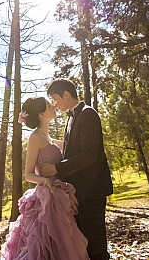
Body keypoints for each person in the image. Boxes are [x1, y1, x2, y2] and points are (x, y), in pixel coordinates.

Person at [0, 96, 90, 260]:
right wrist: (45, 181)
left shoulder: (48, 137)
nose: (53, 106)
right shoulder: (36, 137)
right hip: (47, 198)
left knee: (62, 243)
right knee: (45, 244)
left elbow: (73, 148)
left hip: (59, 195)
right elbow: (28, 174)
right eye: (49, 105)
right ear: (41, 114)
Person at [40, 78, 113, 260]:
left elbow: (89, 154)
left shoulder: (88, 114)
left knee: (96, 247)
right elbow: (70, 150)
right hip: (78, 193)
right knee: (85, 248)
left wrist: (57, 168)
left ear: (66, 94)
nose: (55, 104)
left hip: (92, 191)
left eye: (55, 99)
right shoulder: (70, 118)